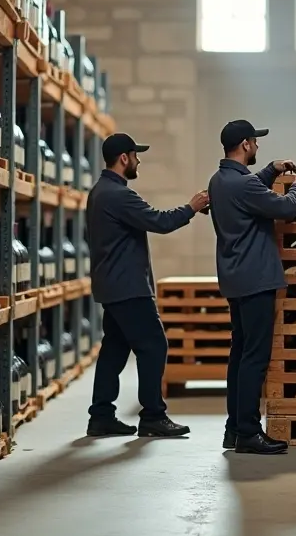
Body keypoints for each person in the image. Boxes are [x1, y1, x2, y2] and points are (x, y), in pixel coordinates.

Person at [86, 133, 210, 439]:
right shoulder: (118, 195)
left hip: (112, 286)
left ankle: (101, 416)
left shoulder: (99, 191)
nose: (139, 160)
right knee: (154, 345)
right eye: (135, 155)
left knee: (114, 350)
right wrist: (191, 207)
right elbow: (160, 221)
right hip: (128, 288)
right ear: (124, 159)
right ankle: (153, 416)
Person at [208, 120, 296, 455]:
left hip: (236, 279)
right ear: (246, 144)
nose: (258, 147)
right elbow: (286, 208)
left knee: (240, 355)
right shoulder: (243, 186)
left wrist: (270, 171)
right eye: (256, 142)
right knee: (255, 357)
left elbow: (249, 194)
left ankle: (234, 429)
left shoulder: (220, 180)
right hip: (256, 279)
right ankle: (249, 433)